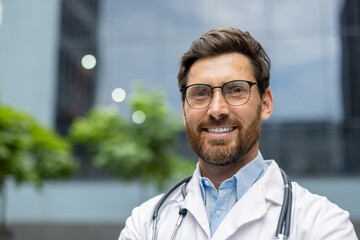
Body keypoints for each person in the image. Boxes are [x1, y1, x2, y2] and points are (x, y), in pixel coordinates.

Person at [119, 27, 358, 240]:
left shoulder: (323, 225)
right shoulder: (145, 225)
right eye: (200, 93)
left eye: (235, 90)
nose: (216, 110)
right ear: (184, 111)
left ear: (265, 103)